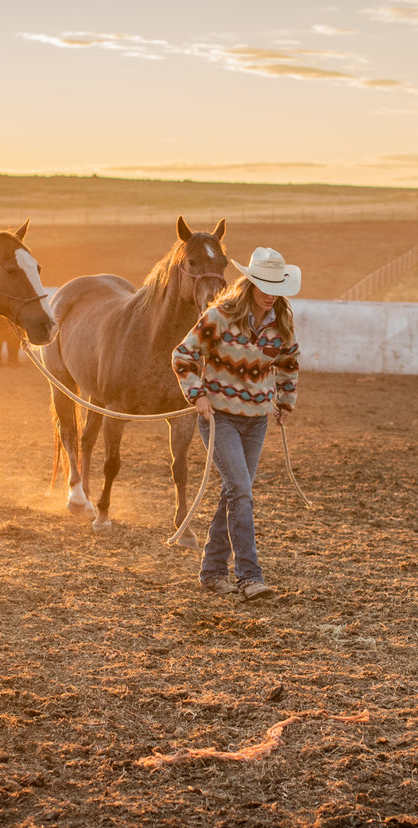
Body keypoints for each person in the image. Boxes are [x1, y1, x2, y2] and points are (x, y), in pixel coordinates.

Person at [172, 246, 301, 601]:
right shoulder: (219, 317)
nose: (270, 294)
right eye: (265, 286)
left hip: (256, 421)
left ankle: (212, 572)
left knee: (234, 491)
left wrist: (285, 402)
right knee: (241, 491)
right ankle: (249, 577)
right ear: (250, 283)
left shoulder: (281, 324)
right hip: (220, 419)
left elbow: (289, 364)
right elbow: (183, 355)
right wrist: (196, 394)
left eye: (276, 287)